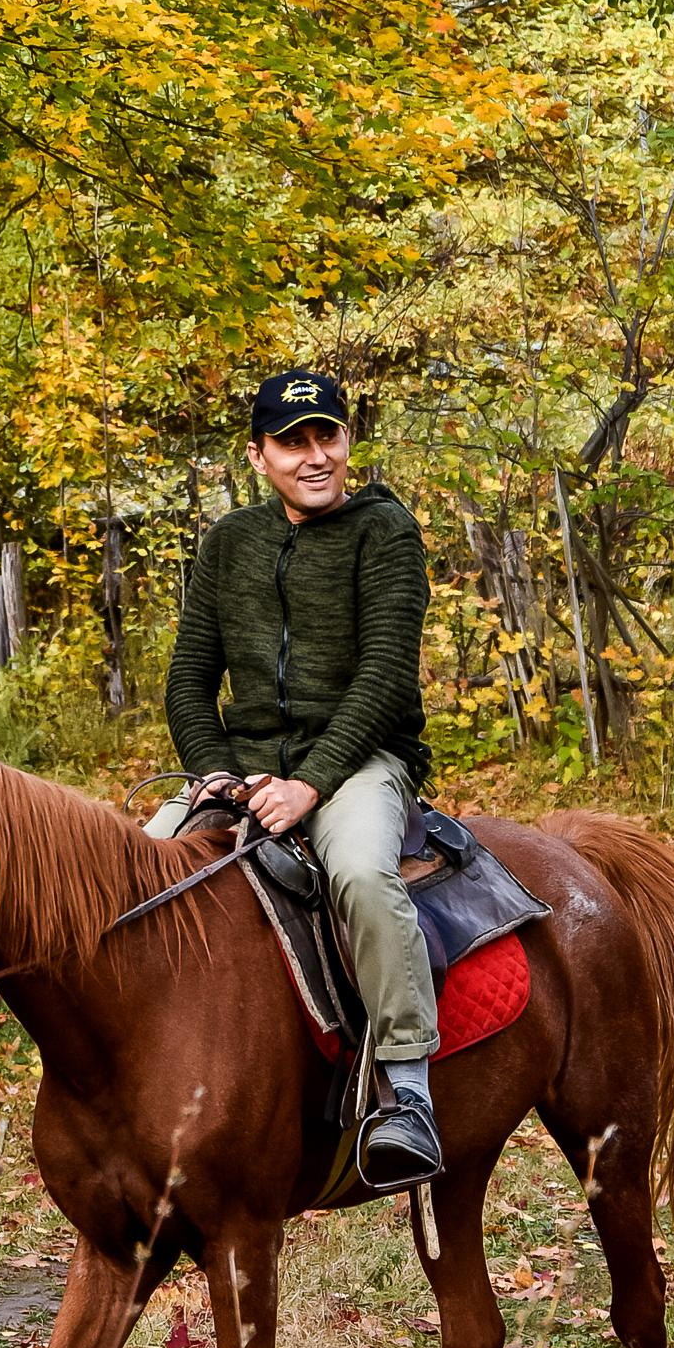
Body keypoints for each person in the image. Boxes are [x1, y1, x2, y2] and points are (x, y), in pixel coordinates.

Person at [154, 368, 443, 1187]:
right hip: (244, 766)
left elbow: (384, 676)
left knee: (360, 874)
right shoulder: (229, 542)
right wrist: (213, 770)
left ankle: (407, 1091)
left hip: (360, 760)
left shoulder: (385, 533)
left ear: (347, 441)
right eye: (293, 443)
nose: (314, 456)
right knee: (135, 874)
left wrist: (310, 785)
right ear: (259, 456)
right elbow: (189, 677)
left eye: (328, 437)